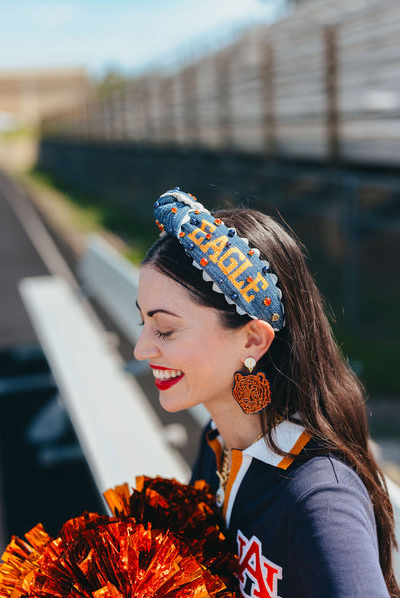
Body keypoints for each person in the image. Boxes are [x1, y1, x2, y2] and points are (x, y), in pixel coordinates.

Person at [134, 188, 399, 598]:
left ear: (253, 341)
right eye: (143, 323)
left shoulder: (321, 500)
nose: (141, 349)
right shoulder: (219, 443)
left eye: (164, 329)